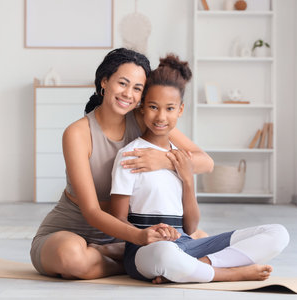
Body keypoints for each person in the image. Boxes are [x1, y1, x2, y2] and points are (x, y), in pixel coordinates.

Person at [30, 48, 214, 280]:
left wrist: (164, 159)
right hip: (74, 231)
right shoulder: (78, 133)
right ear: (104, 82)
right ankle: (132, 262)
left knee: (201, 236)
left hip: (126, 232)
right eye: (122, 83)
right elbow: (91, 211)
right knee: (71, 258)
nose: (128, 94)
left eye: (137, 88)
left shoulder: (145, 118)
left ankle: (126, 254)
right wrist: (138, 238)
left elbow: (205, 162)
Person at [110, 54, 290, 284]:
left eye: (170, 108)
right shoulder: (131, 155)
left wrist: (187, 179)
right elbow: (117, 219)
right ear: (142, 107)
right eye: (153, 107)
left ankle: (191, 269)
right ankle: (227, 274)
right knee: (165, 254)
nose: (161, 116)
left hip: (186, 245)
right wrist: (148, 234)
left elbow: (191, 226)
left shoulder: (183, 158)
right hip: (145, 250)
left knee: (277, 234)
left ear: (180, 110)